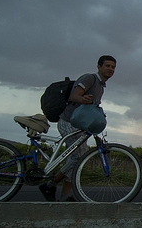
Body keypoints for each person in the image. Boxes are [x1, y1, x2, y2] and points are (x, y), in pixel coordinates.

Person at [39, 55, 116, 202]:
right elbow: (73, 97)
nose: (110, 69)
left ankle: (65, 196)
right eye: (107, 66)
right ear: (99, 67)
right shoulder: (89, 79)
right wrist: (82, 99)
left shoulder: (101, 86)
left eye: (113, 67)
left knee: (79, 157)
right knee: (78, 157)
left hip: (79, 125)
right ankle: (50, 184)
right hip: (68, 122)